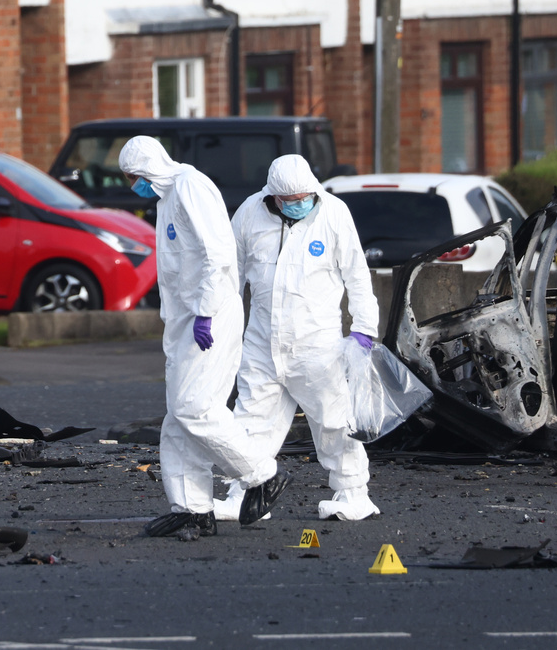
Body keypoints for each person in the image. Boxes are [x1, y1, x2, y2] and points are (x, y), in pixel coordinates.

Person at [118, 136, 291, 538]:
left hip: (208, 317)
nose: (133, 185)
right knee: (178, 417)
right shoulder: (167, 198)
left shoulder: (189, 187)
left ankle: (262, 474)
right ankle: (192, 508)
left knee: (195, 407)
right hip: (187, 319)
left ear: (147, 168)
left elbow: (217, 254)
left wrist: (206, 312)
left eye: (133, 177)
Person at [222, 154, 380, 521]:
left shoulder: (334, 213)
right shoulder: (249, 214)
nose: (299, 204)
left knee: (333, 422)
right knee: (249, 419)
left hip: (318, 345)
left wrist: (364, 329)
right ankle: (243, 495)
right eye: (291, 200)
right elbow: (230, 274)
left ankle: (353, 494)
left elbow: (357, 274)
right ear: (273, 196)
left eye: (305, 198)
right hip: (262, 342)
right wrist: (219, 322)